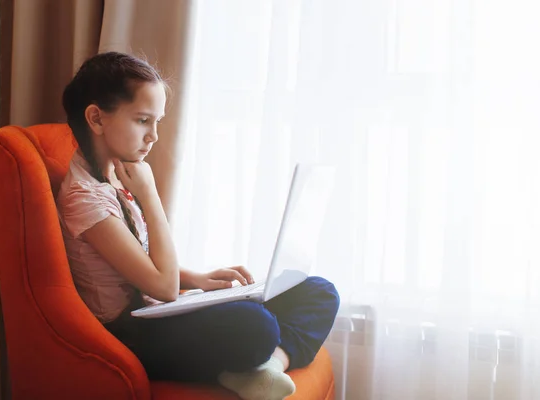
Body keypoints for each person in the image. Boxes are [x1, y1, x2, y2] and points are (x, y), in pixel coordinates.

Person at [57, 51, 340, 400]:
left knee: (318, 290)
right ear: (97, 118)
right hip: (129, 333)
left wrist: (200, 280)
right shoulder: (84, 198)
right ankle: (257, 360)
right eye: (143, 120)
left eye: (157, 121)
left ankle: (269, 368)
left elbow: (142, 263)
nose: (154, 136)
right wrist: (150, 196)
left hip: (153, 312)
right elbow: (162, 286)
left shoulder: (115, 174)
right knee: (256, 325)